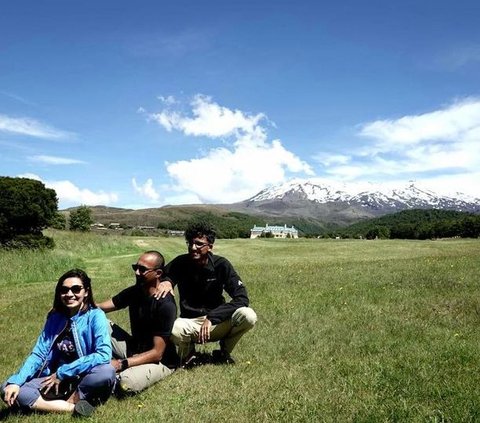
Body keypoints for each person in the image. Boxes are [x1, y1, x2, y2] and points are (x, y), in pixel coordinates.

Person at [1, 269, 115, 417]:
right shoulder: (55, 317)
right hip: (52, 377)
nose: (69, 294)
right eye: (64, 290)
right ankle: (73, 408)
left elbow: (103, 355)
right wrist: (16, 381)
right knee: (7, 387)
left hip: (83, 374)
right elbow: (39, 353)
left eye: (76, 289)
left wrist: (63, 372)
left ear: (86, 292)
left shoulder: (95, 315)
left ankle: (58, 401)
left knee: (106, 371)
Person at [159, 222, 257, 366]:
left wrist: (213, 317)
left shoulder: (221, 265)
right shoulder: (181, 262)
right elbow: (160, 276)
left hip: (217, 322)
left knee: (248, 315)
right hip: (191, 322)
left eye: (199, 244)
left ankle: (223, 352)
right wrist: (167, 281)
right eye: (190, 243)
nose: (193, 248)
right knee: (174, 329)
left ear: (210, 246)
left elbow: (241, 298)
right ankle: (189, 356)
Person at [97, 250, 177, 395]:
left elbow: (157, 353)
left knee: (127, 383)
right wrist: (71, 307)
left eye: (143, 270)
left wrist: (122, 363)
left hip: (160, 361)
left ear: (158, 273)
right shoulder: (135, 291)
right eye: (136, 267)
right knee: (96, 318)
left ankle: (110, 376)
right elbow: (100, 308)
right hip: (134, 348)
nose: (137, 273)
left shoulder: (165, 304)